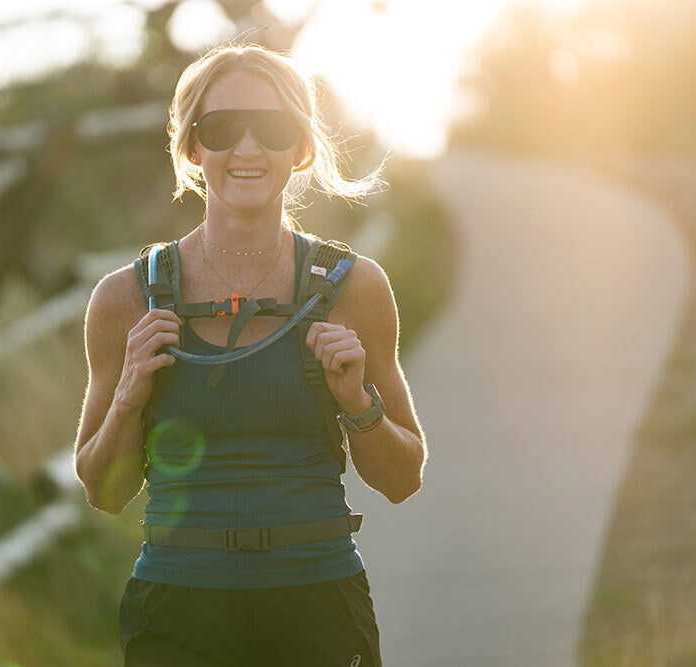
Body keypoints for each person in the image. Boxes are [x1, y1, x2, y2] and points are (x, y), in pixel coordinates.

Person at [74, 42, 427, 667]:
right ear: (190, 146)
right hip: (178, 610)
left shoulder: (353, 288)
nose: (246, 148)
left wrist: (356, 401)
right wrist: (130, 394)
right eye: (221, 128)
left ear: (302, 149)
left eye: (272, 127)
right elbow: (104, 490)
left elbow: (403, 478)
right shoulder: (125, 298)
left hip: (317, 600)